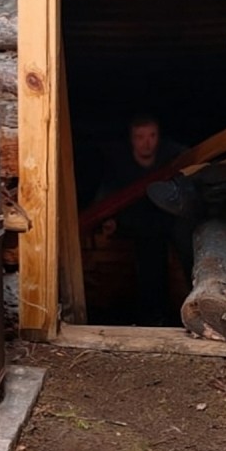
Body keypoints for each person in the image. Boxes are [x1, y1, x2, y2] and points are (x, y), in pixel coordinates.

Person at [93, 115, 189, 326]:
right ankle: (151, 316)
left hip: (167, 218)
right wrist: (108, 219)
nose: (147, 143)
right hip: (134, 220)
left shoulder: (172, 156)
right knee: (148, 247)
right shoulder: (119, 162)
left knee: (178, 240)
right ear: (131, 139)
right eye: (140, 137)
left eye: (152, 135)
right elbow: (107, 197)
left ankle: (188, 306)